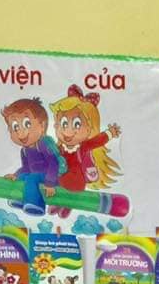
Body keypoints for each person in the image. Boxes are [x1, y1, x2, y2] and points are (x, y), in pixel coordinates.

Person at [50, 85, 122, 217]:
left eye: (77, 124)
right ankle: (59, 202)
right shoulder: (59, 147)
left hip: (76, 183)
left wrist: (109, 133)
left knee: (72, 192)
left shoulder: (82, 147)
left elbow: (97, 141)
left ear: (89, 129)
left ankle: (68, 205)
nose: (68, 131)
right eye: (64, 123)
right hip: (61, 182)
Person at [0, 98, 61, 215]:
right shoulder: (24, 150)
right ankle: (20, 199)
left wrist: (50, 183)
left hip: (52, 177)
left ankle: (36, 205)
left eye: (27, 124)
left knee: (32, 178)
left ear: (42, 126)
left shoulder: (42, 144)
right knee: (23, 176)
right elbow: (26, 168)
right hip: (36, 176)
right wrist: (16, 175)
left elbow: (54, 163)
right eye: (15, 127)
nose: (20, 132)